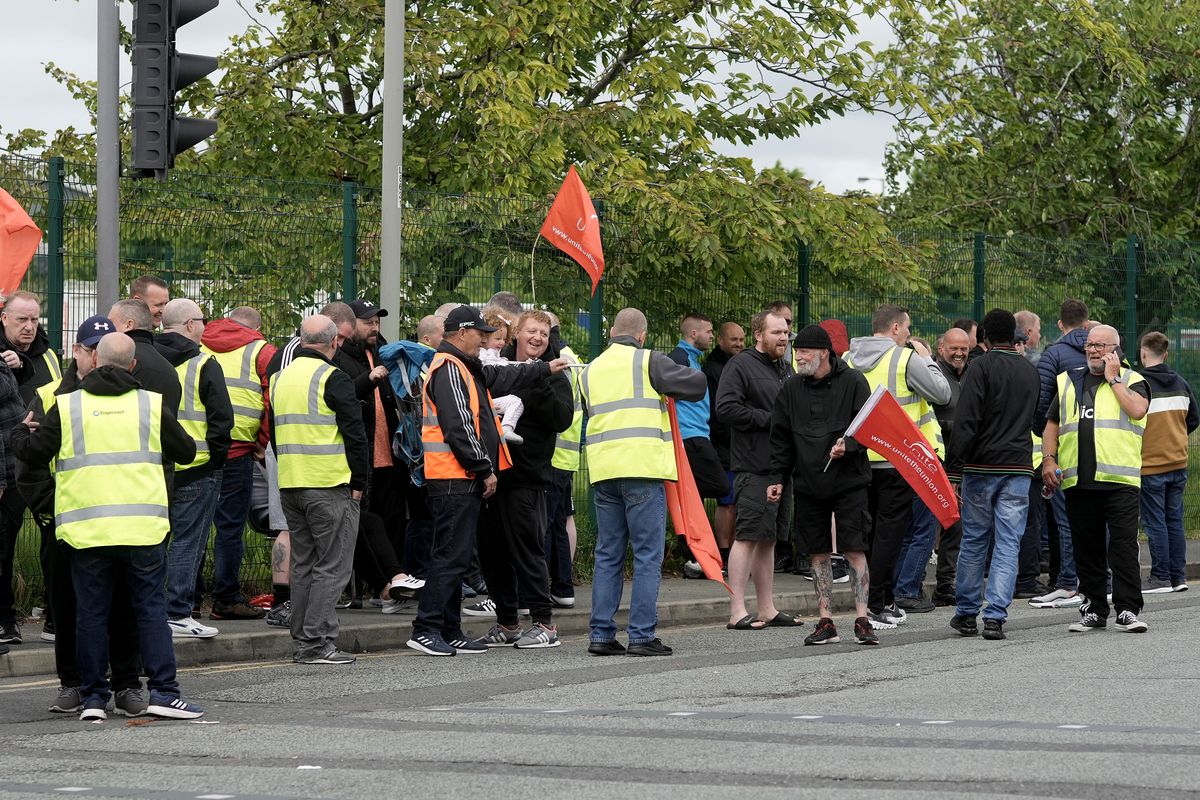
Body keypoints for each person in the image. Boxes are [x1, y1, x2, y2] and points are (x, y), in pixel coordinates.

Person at [14, 332, 204, 720]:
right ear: (133, 366)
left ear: (95, 361)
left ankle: (93, 698)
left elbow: (33, 455)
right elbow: (185, 452)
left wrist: (20, 432)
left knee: (90, 614)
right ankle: (163, 693)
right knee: (148, 612)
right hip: (142, 530)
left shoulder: (67, 408)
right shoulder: (150, 406)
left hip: (86, 531)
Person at [406, 305, 568, 657]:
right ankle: (427, 628)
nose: (485, 340)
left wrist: (544, 370)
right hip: (456, 477)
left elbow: (504, 380)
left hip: (474, 477)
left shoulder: (465, 366)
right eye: (480, 333)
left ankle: (448, 630)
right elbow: (459, 426)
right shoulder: (451, 367)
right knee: (452, 556)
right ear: (462, 333)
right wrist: (484, 469)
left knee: (461, 555)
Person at [14, 315, 143, 714]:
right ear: (78, 352)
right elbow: (30, 466)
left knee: (123, 606)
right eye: (89, 350)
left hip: (121, 518)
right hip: (66, 522)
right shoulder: (51, 394)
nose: (96, 358)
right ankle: (72, 683)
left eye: (101, 350)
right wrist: (50, 511)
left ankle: (125, 684)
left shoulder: (135, 394)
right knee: (67, 607)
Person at [582, 307, 705, 656]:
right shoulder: (649, 360)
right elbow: (696, 386)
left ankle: (601, 635)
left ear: (611, 335)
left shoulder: (589, 371)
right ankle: (641, 635)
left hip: (604, 472)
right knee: (648, 555)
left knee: (608, 554)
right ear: (642, 336)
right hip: (643, 470)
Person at [268, 315, 369, 664]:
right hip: (329, 484)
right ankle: (316, 644)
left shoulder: (278, 378)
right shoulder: (333, 377)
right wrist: (359, 483)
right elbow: (355, 435)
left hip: (291, 484)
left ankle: (303, 640)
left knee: (304, 564)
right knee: (333, 566)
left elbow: (275, 434)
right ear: (334, 342)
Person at [767, 325, 877, 646]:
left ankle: (862, 618)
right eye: (796, 352)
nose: (797, 357)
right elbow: (780, 439)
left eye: (804, 352)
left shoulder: (854, 381)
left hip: (849, 481)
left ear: (824, 354)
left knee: (855, 549)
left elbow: (867, 427)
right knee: (818, 553)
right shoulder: (790, 389)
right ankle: (825, 620)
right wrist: (776, 477)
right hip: (808, 483)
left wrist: (850, 446)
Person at [846, 304, 950, 629]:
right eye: (907, 329)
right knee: (890, 535)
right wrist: (926, 357)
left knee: (870, 534)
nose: (908, 334)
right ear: (894, 329)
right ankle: (876, 603)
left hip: (858, 459)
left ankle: (883, 600)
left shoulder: (848, 359)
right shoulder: (904, 359)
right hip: (896, 460)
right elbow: (942, 393)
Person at [473, 309, 573, 649]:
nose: (538, 339)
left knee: (527, 550)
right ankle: (508, 622)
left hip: (527, 476)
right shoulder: (498, 364)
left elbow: (562, 418)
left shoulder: (553, 372)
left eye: (543, 334)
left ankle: (544, 623)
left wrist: (539, 380)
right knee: (491, 552)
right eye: (532, 331)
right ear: (516, 333)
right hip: (490, 474)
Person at [1042, 324, 1150, 633]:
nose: (1093, 350)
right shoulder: (1068, 381)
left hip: (1119, 481)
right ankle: (1094, 609)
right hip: (1078, 480)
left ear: (1116, 349)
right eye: (1090, 344)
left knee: (1123, 547)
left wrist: (1113, 379)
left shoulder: (1132, 380)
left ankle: (1128, 609)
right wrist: (1049, 459)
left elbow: (1138, 410)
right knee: (1085, 547)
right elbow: (1052, 424)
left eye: (1101, 345)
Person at [947, 310, 1040, 640]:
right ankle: (996, 615)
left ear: (983, 337)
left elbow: (967, 420)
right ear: (1014, 336)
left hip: (982, 467)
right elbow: (1036, 419)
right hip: (1017, 467)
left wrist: (955, 468)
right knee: (1008, 543)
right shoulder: (1030, 371)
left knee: (974, 540)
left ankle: (967, 612)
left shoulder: (979, 367)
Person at [715, 310, 800, 631]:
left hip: (782, 468)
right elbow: (725, 408)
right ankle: (737, 610)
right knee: (748, 536)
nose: (783, 337)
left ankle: (767, 608)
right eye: (777, 332)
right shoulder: (740, 365)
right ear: (758, 335)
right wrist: (771, 420)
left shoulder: (785, 368)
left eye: (786, 332)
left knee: (769, 539)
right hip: (754, 465)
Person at [154, 299, 234, 639]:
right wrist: (217, 459)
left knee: (157, 541)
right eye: (202, 320)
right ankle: (177, 612)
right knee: (188, 542)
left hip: (156, 466)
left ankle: (154, 610)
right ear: (189, 325)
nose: (205, 326)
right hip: (198, 467)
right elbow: (221, 419)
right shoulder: (203, 364)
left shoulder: (147, 360)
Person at [200, 306, 278, 620]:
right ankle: (226, 599)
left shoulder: (198, 340)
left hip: (196, 449)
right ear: (255, 326)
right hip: (239, 450)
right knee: (230, 528)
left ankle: (187, 602)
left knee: (193, 528)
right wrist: (261, 444)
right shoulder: (262, 350)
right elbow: (272, 401)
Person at [894, 326, 969, 610]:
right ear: (941, 349)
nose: (960, 353)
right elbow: (938, 406)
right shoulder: (932, 374)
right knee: (923, 528)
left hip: (957, 462)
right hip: (931, 461)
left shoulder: (971, 374)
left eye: (964, 348)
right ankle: (908, 588)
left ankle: (944, 585)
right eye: (954, 348)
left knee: (953, 525)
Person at [1030, 299, 1090, 609]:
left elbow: (1042, 403)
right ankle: (1099, 580)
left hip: (1065, 448)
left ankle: (1068, 582)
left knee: (1066, 519)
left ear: (1060, 324)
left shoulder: (1053, 354)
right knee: (1100, 517)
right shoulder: (1108, 351)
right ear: (1087, 321)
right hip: (1104, 448)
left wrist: (1044, 438)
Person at [667, 313, 731, 576]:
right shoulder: (678, 358)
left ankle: (694, 554)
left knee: (702, 492)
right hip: (689, 436)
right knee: (719, 486)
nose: (712, 335)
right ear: (693, 334)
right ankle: (692, 551)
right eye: (708, 331)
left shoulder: (693, 359)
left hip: (699, 435)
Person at [1136, 331, 1198, 593]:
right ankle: (1178, 576)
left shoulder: (1138, 384)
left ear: (1142, 353)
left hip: (1151, 465)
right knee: (1174, 520)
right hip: (1178, 462)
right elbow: (1194, 418)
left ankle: (1160, 577)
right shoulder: (1181, 383)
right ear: (1167, 354)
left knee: (1155, 522)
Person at [544, 311, 583, 608]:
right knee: (558, 522)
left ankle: (543, 585)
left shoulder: (553, 356)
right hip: (568, 452)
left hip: (552, 450)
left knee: (544, 523)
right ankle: (562, 586)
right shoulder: (572, 355)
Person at [701, 321, 744, 566]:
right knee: (727, 502)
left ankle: (737, 553)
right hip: (723, 445)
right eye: (733, 339)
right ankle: (724, 552)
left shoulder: (738, 364)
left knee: (737, 501)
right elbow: (718, 413)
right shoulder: (713, 370)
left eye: (741, 339)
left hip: (738, 446)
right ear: (720, 340)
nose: (738, 343)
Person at [478, 311, 525, 443]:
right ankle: (506, 428)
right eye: (498, 339)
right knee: (515, 401)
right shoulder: (485, 354)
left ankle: (506, 428)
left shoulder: (494, 354)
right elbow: (499, 368)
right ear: (484, 337)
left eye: (504, 339)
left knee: (515, 401)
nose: (502, 343)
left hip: (487, 401)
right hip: (483, 401)